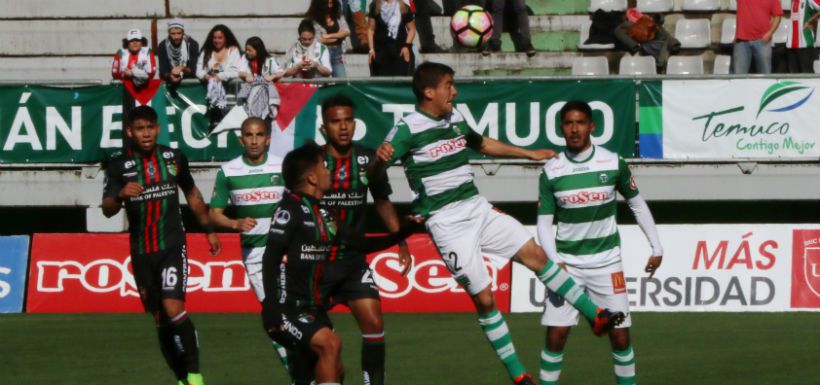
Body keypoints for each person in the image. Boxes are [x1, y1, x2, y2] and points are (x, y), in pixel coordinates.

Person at [373, 62, 624, 385]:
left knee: (536, 256)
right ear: (428, 92)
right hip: (446, 223)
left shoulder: (456, 118)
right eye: (449, 85)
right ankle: (519, 375)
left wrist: (529, 154)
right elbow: (374, 177)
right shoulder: (406, 130)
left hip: (477, 208)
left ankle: (596, 316)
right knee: (485, 299)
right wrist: (381, 166)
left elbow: (483, 144)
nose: (455, 91)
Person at [261, 142, 417, 385]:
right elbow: (270, 257)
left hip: (313, 308)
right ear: (312, 178)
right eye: (324, 167)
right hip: (287, 309)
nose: (328, 171)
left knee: (333, 370)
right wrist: (270, 308)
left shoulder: (324, 214)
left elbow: (363, 244)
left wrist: (405, 232)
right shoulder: (289, 209)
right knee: (330, 345)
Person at [535, 100, 664, 385]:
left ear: (592, 126)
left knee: (620, 335)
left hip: (607, 264)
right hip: (567, 265)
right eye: (568, 123)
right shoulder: (552, 170)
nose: (574, 129)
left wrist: (657, 247)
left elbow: (638, 205)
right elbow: (544, 224)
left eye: (580, 122)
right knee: (556, 335)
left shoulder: (612, 162)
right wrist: (555, 264)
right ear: (561, 129)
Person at [101, 105, 221, 385]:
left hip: (171, 245)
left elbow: (191, 193)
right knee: (160, 319)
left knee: (172, 307)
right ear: (130, 132)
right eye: (139, 129)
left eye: (150, 128)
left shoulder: (173, 157)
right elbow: (107, 208)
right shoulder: (119, 164)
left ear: (157, 129)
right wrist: (120, 195)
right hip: (142, 252)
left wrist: (209, 230)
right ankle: (182, 377)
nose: (146, 134)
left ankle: (195, 374)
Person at [318, 94, 411, 385]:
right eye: (336, 122)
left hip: (353, 263)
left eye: (348, 121)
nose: (343, 127)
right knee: (322, 351)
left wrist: (400, 241)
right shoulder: (312, 162)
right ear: (324, 128)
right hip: (315, 265)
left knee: (374, 323)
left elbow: (382, 201)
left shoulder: (369, 159)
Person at [208, 117, 293, 381]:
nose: (254, 140)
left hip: (284, 252)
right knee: (274, 316)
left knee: (294, 311)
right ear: (240, 139)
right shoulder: (229, 171)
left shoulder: (283, 166)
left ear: (267, 138)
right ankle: (297, 372)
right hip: (254, 255)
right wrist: (235, 223)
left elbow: (299, 203)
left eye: (259, 135)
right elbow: (214, 214)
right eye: (248, 135)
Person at [111, 28, 156, 148]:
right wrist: (135, 73)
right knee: (128, 119)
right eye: (132, 41)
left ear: (141, 42)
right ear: (128, 42)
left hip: (144, 91)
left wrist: (132, 73)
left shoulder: (147, 52)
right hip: (126, 92)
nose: (135, 43)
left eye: (137, 40)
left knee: (146, 119)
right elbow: (115, 72)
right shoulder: (121, 53)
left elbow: (151, 72)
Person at [196, 24, 243, 128]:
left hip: (231, 97)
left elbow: (236, 71)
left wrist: (220, 77)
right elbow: (199, 70)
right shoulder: (206, 51)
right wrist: (206, 77)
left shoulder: (233, 51)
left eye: (220, 38)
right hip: (211, 98)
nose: (217, 40)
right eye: (214, 38)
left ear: (226, 38)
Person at [614, 10, 680, 73]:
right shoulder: (628, 25)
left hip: (649, 42)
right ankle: (672, 46)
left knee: (661, 34)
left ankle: (672, 46)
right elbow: (618, 31)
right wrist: (635, 45)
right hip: (641, 43)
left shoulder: (654, 26)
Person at [237, 37, 283, 123]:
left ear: (257, 50)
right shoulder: (245, 58)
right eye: (246, 49)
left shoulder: (269, 60)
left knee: (264, 121)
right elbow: (240, 72)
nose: (247, 52)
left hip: (265, 98)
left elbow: (280, 72)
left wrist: (272, 76)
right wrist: (246, 74)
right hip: (249, 98)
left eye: (250, 50)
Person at [368, 0, 417, 76]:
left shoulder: (404, 8)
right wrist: (371, 49)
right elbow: (370, 30)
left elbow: (412, 29)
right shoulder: (375, 7)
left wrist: (406, 46)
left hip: (399, 52)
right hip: (380, 53)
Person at [734, 0, 783, 74]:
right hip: (742, 41)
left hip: (762, 41)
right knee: (739, 76)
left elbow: (778, 16)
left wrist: (770, 33)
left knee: (765, 75)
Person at [307, 0, 351, 78]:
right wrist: (339, 36)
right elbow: (320, 40)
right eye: (328, 3)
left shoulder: (338, 15)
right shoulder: (314, 20)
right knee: (322, 84)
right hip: (322, 54)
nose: (330, 6)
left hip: (337, 54)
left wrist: (328, 36)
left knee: (342, 81)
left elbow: (347, 31)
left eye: (332, 3)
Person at [156, 18, 200, 95]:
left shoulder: (192, 44)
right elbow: (163, 71)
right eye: (173, 34)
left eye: (179, 33)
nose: (176, 37)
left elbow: (194, 68)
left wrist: (182, 68)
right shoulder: (163, 46)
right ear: (169, 33)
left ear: (183, 33)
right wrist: (170, 76)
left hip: (190, 86)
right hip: (171, 86)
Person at [785, 0, 820, 73]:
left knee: (806, 72)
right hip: (791, 44)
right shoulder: (792, 1)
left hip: (805, 42)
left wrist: (810, 21)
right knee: (794, 74)